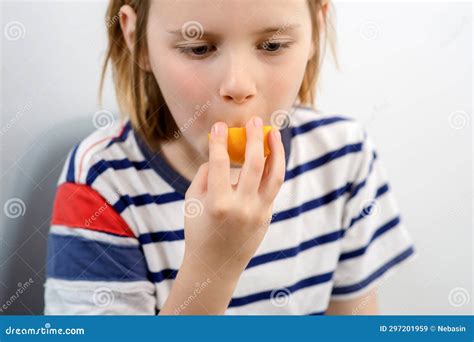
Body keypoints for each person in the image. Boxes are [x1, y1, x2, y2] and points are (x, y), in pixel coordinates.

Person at [44, 0, 416, 315]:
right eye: (199, 48)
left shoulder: (343, 156)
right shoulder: (101, 184)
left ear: (316, 30)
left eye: (272, 45)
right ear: (135, 38)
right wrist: (214, 266)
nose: (238, 85)